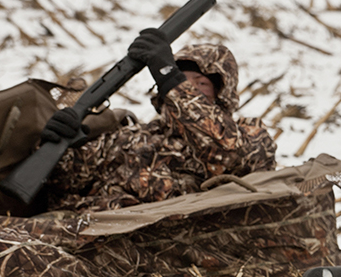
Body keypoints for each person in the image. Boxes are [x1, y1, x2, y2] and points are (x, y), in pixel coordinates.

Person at [41, 29, 277, 212]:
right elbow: (63, 182)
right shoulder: (131, 136)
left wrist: (170, 77)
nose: (188, 87)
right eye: (182, 79)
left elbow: (228, 154)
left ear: (222, 95)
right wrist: (58, 142)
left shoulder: (251, 136)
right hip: (79, 229)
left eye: (201, 83)